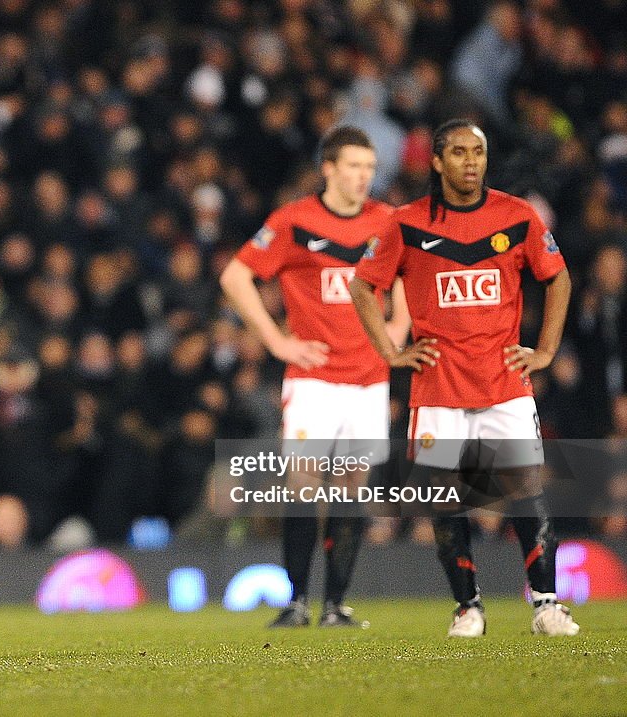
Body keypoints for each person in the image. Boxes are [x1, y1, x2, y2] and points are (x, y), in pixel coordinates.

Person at [350, 119, 578, 637]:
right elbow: (365, 286)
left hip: (504, 380)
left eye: (478, 151)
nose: (471, 162)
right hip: (438, 387)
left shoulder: (517, 216)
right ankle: (467, 607)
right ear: (436, 162)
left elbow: (558, 276)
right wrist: (390, 350)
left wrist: (545, 350)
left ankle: (546, 605)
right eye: (458, 152)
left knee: (526, 488)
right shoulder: (406, 223)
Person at [220, 126, 410, 628]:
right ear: (328, 168)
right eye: (353, 166)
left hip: (368, 378)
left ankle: (335, 605)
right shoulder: (294, 221)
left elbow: (412, 272)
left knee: (352, 489)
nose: (363, 177)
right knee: (304, 484)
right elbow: (235, 276)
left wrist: (399, 327)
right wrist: (276, 340)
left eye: (369, 168)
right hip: (315, 378)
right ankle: (297, 599)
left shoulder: (387, 221)